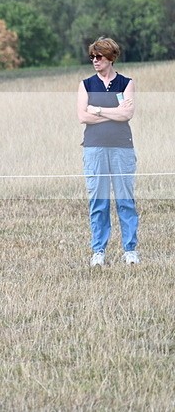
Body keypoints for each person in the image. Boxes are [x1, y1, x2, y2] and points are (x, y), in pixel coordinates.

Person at [77, 36, 139, 267]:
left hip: (122, 147)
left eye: (99, 56)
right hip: (94, 149)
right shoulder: (86, 84)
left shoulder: (126, 83)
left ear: (111, 57)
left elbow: (127, 115)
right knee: (98, 202)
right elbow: (83, 116)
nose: (95, 60)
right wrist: (113, 112)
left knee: (125, 200)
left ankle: (130, 250)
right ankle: (99, 251)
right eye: (92, 56)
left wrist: (99, 110)